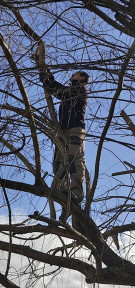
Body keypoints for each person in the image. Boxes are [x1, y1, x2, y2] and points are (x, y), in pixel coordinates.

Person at [33, 44, 90, 227]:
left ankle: (76, 195)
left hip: (74, 131)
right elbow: (54, 87)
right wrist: (43, 70)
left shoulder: (78, 90)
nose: (72, 75)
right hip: (63, 132)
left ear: (81, 78)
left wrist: (46, 75)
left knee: (74, 161)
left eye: (76, 74)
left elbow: (56, 89)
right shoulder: (69, 91)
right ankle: (63, 198)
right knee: (59, 165)